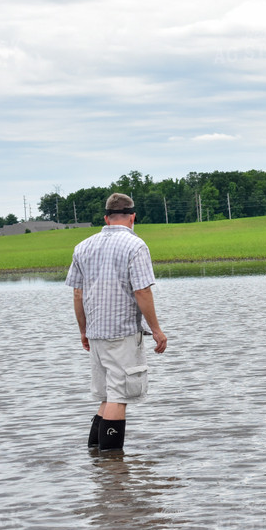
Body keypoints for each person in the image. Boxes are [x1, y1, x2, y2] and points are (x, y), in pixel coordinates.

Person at [66, 193, 167, 452]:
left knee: (107, 396)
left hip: (96, 334)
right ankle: (112, 465)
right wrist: (156, 330)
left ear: (106, 218)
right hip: (122, 334)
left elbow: (78, 294)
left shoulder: (83, 246)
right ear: (133, 217)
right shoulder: (136, 246)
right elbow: (142, 291)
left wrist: (83, 331)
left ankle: (96, 459)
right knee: (119, 397)